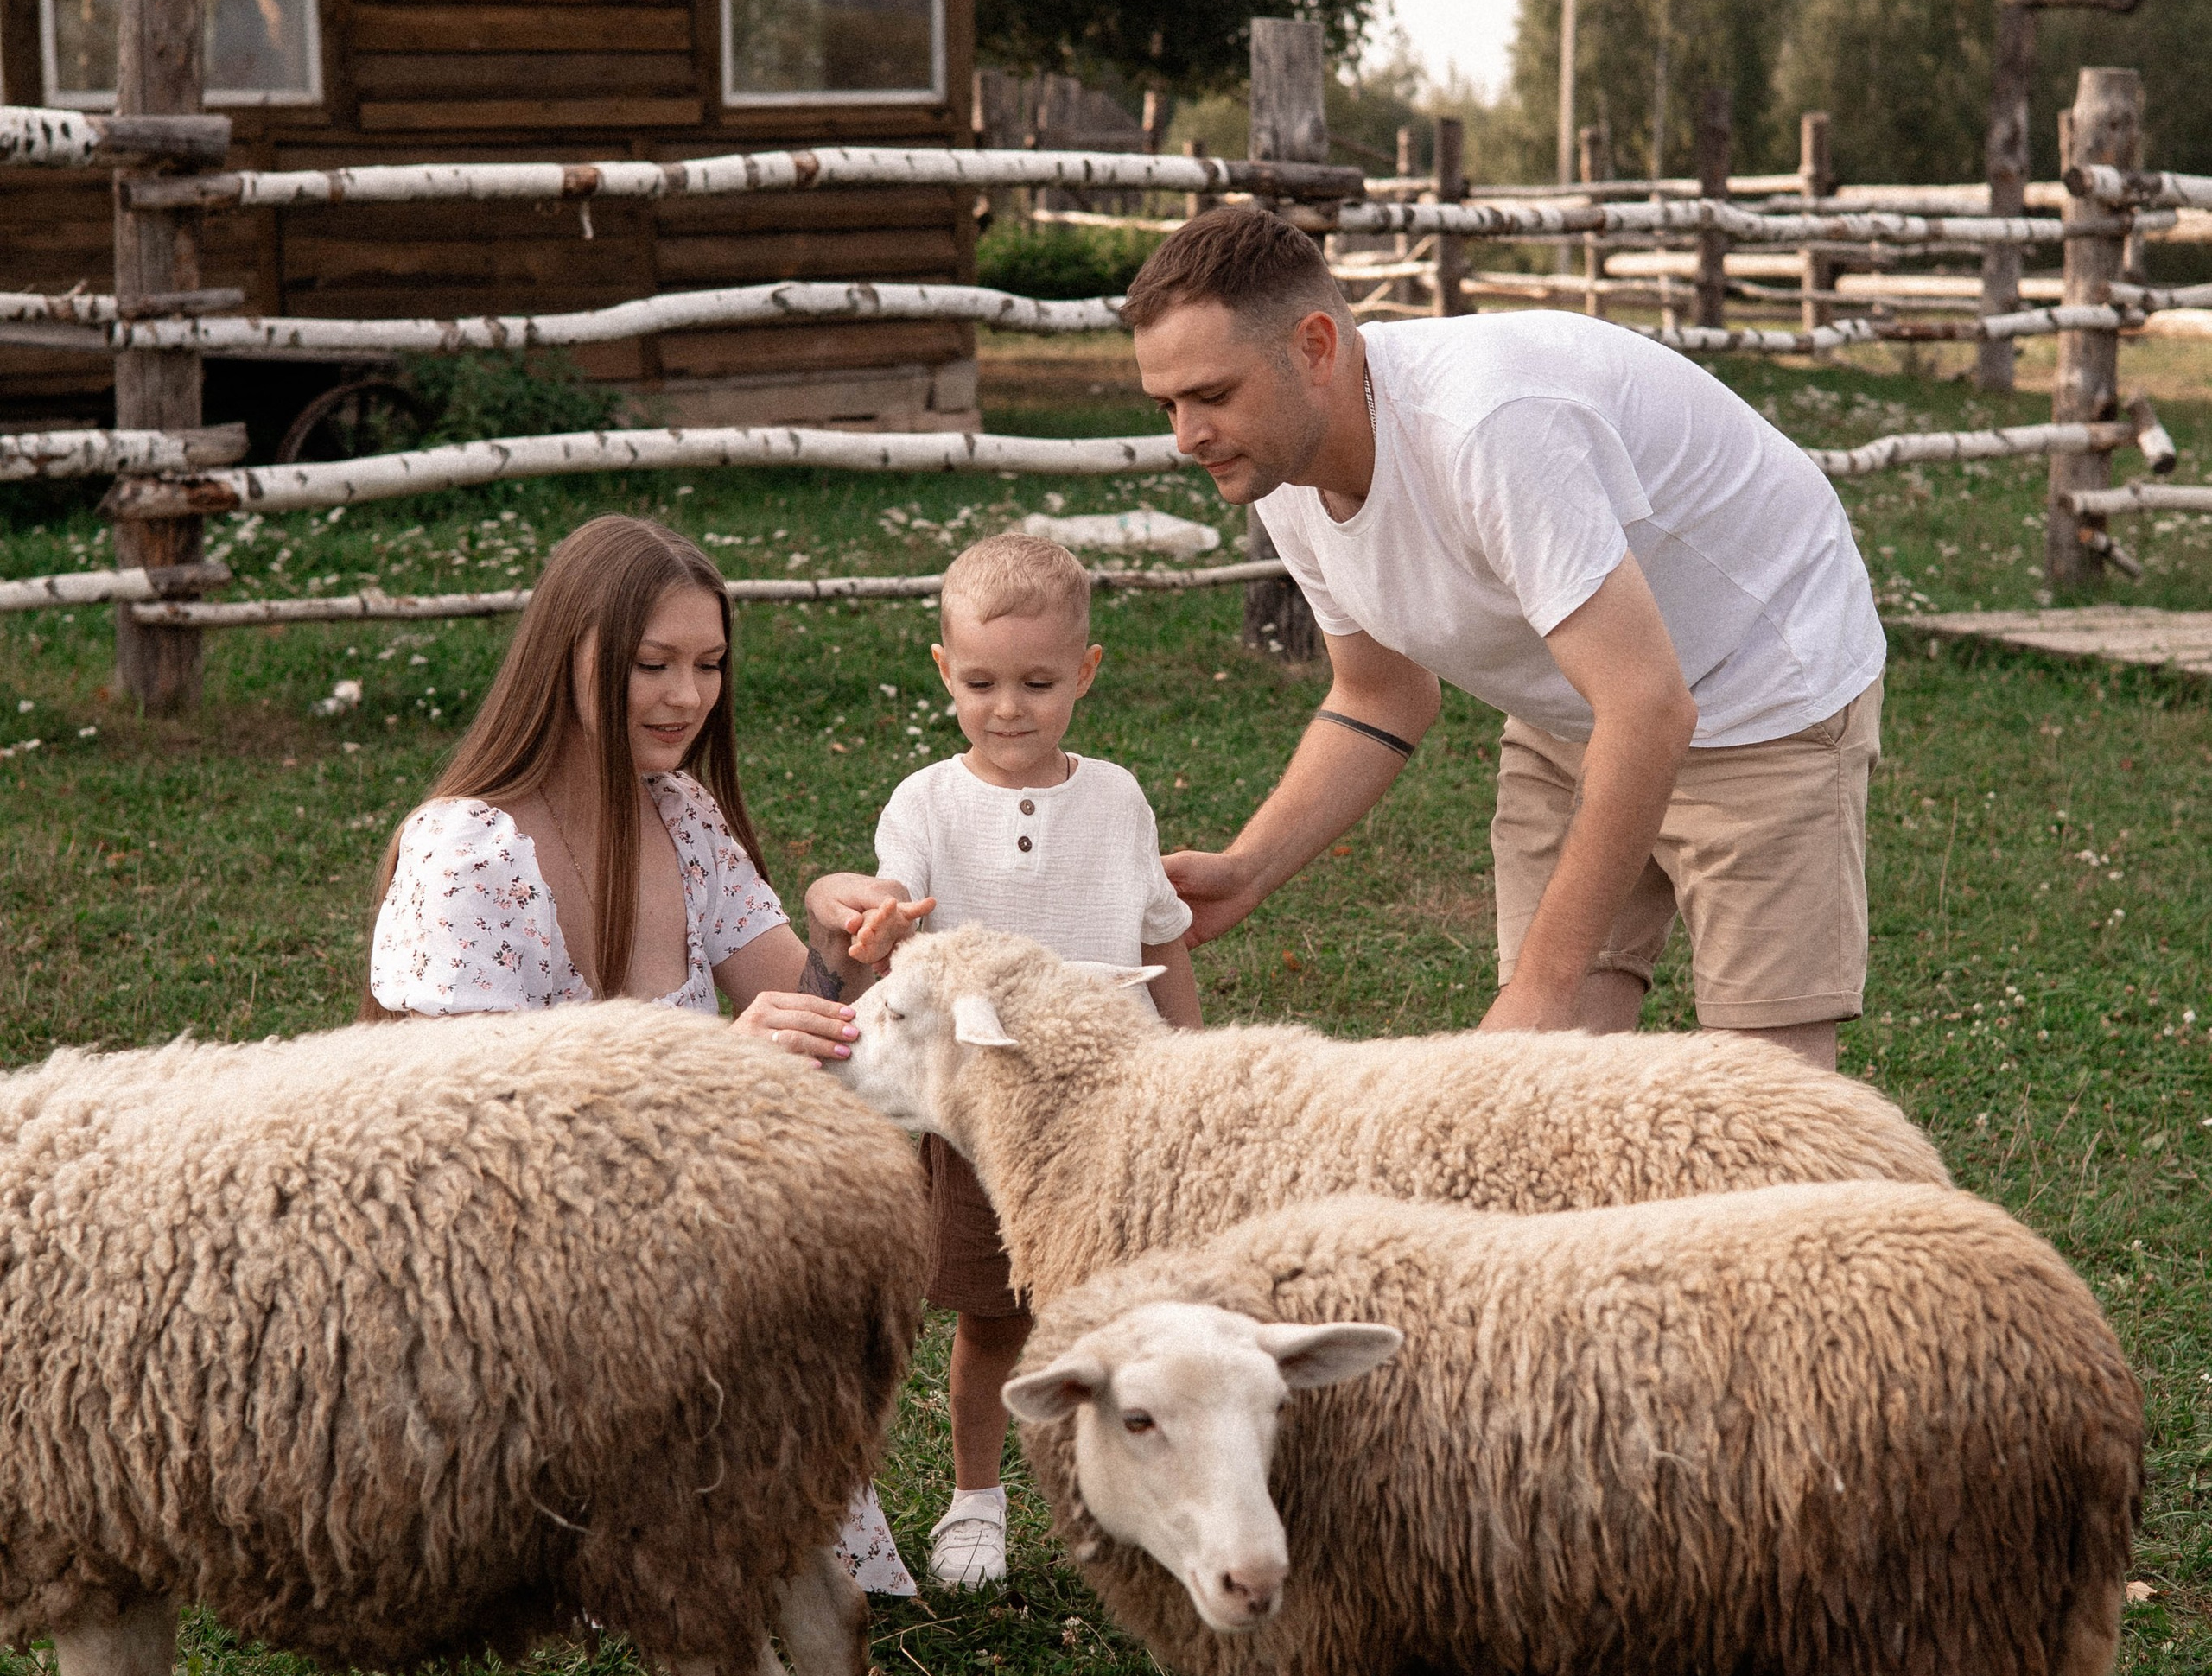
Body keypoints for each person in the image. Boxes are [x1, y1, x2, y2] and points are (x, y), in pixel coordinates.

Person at [1125, 206, 1887, 1070]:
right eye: (1168, 404)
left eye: (1211, 396)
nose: (1186, 436)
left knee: (1769, 1101)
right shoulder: (1282, 469)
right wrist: (1250, 869)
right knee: (1544, 1090)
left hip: (1760, 683)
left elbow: (1648, 710)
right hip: (1584, 705)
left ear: (1315, 347)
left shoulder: (1487, 426)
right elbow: (1381, 693)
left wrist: (1543, 987)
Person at [365, 510, 930, 1592]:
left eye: (709, 665)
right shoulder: (466, 845)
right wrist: (714, 1068)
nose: (686, 697)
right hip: (526, 1265)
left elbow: (802, 1013)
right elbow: (459, 1125)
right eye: (651, 665)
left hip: (677, 1238)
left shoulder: (680, 812)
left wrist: (835, 944)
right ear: (567, 654)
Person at [854, 532, 1200, 1589]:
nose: (1010, 709)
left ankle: (1136, 1496)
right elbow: (893, 906)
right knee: (995, 1322)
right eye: (982, 683)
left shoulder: (1117, 800)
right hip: (983, 1115)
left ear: (1085, 674)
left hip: (1109, 1101)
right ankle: (975, 1498)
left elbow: (1159, 930)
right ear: (942, 672)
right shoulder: (926, 803)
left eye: (1040, 684)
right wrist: (877, 922)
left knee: (1127, 1312)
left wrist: (1189, 1058)